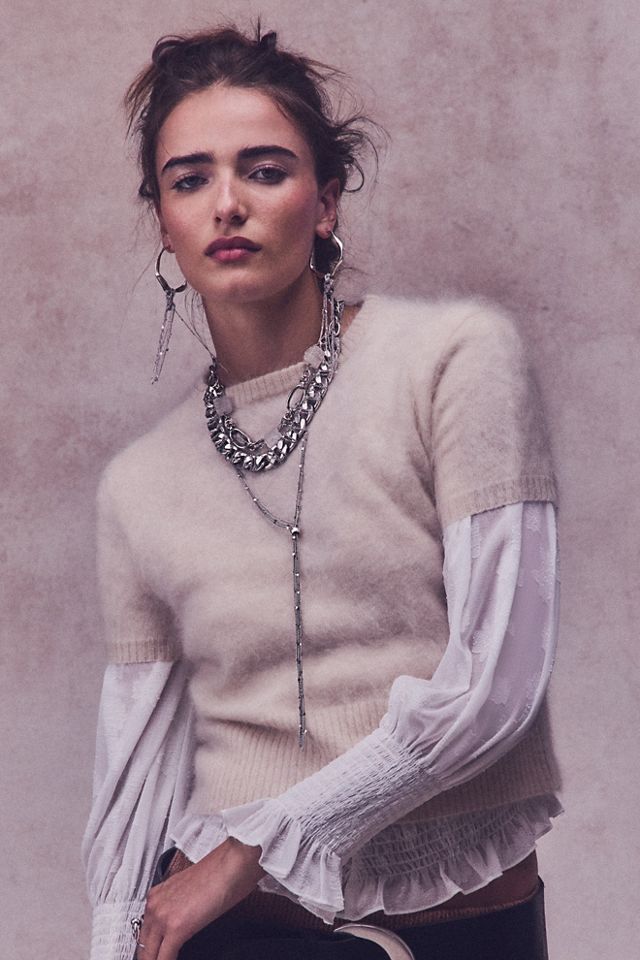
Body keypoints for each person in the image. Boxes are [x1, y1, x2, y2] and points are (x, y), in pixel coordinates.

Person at [82, 24, 562, 960]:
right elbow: (133, 781)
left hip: (459, 929)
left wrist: (251, 850)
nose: (228, 204)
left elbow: (497, 682)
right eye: (190, 180)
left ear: (327, 200)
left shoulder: (456, 360)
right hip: (233, 938)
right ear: (165, 224)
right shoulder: (140, 484)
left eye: (264, 171)